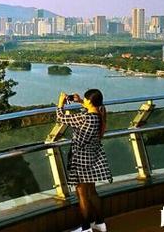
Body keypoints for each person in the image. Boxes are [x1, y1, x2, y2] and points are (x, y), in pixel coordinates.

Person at [56, 89, 113, 232]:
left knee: (82, 193)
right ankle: (100, 223)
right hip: (92, 157)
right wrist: (81, 101)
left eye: (85, 99)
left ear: (89, 101)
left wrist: (60, 103)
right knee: (92, 192)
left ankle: (86, 227)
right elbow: (91, 108)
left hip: (81, 159)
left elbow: (61, 118)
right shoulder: (99, 114)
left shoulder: (85, 118)